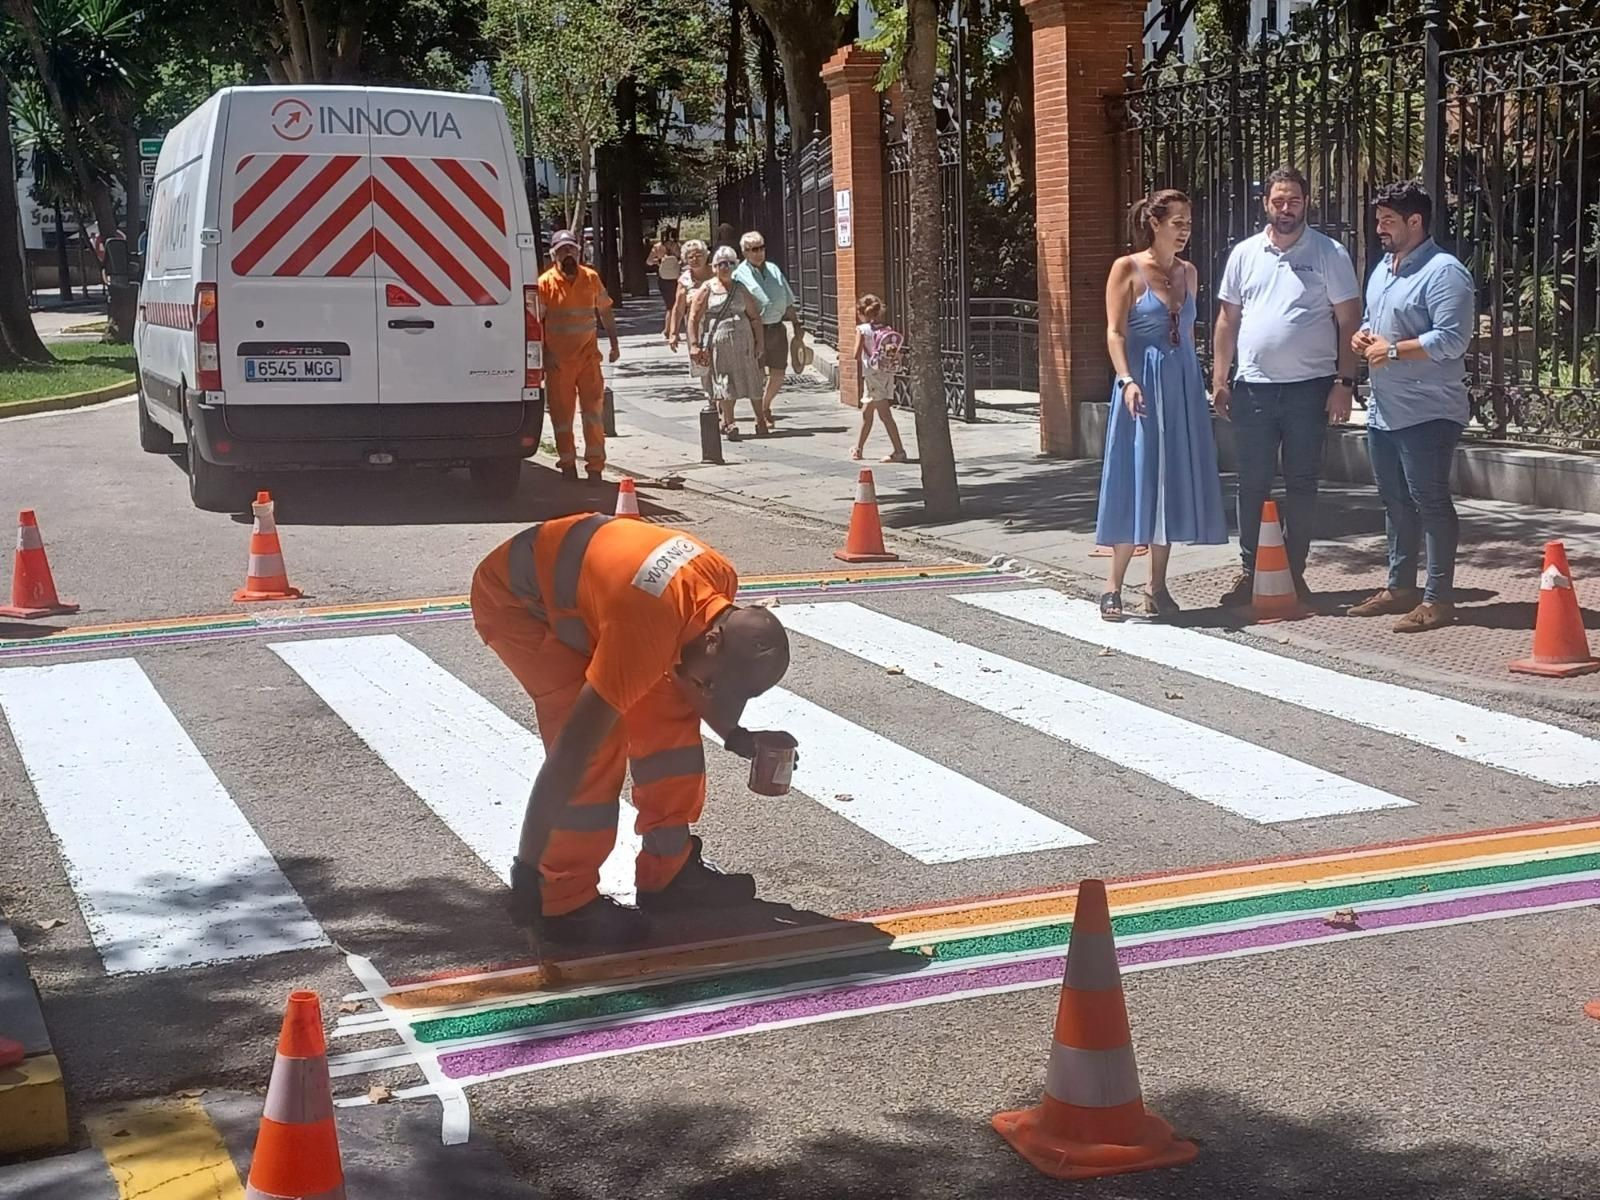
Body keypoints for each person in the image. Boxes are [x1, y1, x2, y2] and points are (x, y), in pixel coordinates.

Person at [472, 514, 796, 950]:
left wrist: (735, 734)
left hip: (604, 598)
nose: (709, 693)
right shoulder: (644, 628)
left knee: (671, 711)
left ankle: (669, 871)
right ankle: (562, 901)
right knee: (596, 747)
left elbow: (690, 676)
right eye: (713, 685)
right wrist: (526, 870)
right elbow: (570, 753)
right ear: (716, 641)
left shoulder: (719, 585)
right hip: (519, 601)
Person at [1212, 166, 1363, 606]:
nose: (1285, 209)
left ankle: (1293, 572)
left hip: (1310, 389)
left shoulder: (1329, 253)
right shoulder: (1244, 253)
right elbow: (1227, 319)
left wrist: (1344, 381)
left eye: (1293, 201)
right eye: (1278, 201)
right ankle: (1249, 571)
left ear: (1306, 202)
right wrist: (1220, 379)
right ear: (1266, 203)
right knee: (1251, 482)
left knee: (1302, 483)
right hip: (1253, 388)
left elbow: (1349, 320)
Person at [1094, 189, 1227, 621]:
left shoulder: (1189, 272)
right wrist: (1126, 379)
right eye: (1177, 223)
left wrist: (1200, 384)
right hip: (1142, 386)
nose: (1185, 231)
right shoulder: (1127, 269)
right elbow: (1114, 332)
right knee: (1136, 475)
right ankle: (1113, 585)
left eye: (1189, 223)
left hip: (1181, 383)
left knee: (1170, 477)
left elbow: (1187, 333)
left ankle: (1157, 586)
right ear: (1155, 224)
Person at [1348, 181, 1474, 633]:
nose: (1379, 228)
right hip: (1385, 408)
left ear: (1415, 221)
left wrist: (1394, 350)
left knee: (1430, 502)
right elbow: (1375, 322)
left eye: (1388, 221)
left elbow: (1453, 339)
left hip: (1427, 411)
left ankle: (1438, 599)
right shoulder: (1384, 268)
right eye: (1379, 219)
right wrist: (1363, 336)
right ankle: (1399, 587)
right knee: (1395, 501)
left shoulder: (1445, 272)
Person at [536, 230, 620, 482]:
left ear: (579, 252)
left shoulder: (591, 278)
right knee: (562, 417)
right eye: (562, 250)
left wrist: (614, 342)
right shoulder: (544, 284)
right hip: (558, 363)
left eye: (571, 249)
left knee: (593, 414)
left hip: (587, 360)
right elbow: (536, 323)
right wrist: (542, 357)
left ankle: (595, 467)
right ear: (553, 255)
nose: (568, 254)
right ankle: (567, 464)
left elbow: (605, 312)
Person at [687, 245, 766, 438]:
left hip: (744, 342)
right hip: (720, 343)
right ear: (714, 267)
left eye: (731, 263)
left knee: (752, 379)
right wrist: (695, 345)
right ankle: (730, 423)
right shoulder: (707, 289)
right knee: (724, 380)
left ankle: (760, 420)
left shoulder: (740, 288)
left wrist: (759, 342)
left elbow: (755, 317)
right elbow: (693, 318)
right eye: (722, 264)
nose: (726, 267)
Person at [733, 230, 804, 427]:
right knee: (758, 374)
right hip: (754, 330)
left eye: (761, 248)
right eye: (754, 249)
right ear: (745, 252)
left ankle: (765, 406)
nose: (759, 252)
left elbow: (787, 300)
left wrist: (796, 324)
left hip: (776, 328)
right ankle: (759, 415)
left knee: (779, 372)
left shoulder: (773, 269)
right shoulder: (739, 274)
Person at [851, 294, 908, 463]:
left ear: (861, 312)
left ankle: (899, 451)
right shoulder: (886, 328)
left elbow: (856, 354)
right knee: (867, 413)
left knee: (885, 414)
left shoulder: (862, 330)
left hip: (871, 374)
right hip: (885, 372)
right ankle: (858, 448)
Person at [646, 226, 682, 335]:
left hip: (663, 277)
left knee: (669, 305)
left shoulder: (657, 247)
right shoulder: (676, 246)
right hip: (676, 277)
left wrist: (659, 262)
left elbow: (648, 262)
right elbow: (681, 259)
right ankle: (672, 329)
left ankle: (668, 329)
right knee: (676, 304)